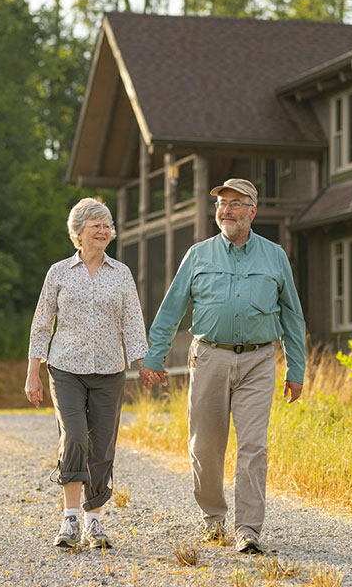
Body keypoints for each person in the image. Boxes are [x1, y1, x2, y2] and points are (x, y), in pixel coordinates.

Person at [138, 178, 306, 555]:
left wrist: (296, 369)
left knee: (253, 446)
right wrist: (154, 357)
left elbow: (293, 317)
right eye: (221, 203)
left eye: (234, 203)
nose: (225, 210)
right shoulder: (198, 254)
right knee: (205, 445)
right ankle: (213, 518)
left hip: (260, 360)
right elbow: (171, 309)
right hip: (209, 356)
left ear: (252, 211)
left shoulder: (274, 255)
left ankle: (248, 528)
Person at [25, 197, 148, 550]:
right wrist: (33, 374)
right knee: (75, 437)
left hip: (110, 372)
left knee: (102, 447)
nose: (105, 231)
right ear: (78, 233)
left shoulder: (121, 273)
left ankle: (94, 523)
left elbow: (133, 322)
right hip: (66, 370)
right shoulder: (58, 273)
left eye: (108, 225)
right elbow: (41, 325)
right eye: (97, 226)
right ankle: (70, 518)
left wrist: (144, 363)